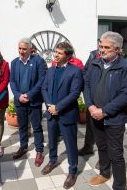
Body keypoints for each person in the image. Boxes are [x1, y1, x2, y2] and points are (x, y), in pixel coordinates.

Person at [84, 32, 127, 190]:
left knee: (116, 153)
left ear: (118, 49)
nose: (102, 50)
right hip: (95, 116)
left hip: (114, 119)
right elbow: (86, 85)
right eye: (101, 46)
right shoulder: (95, 63)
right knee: (101, 147)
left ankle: (120, 185)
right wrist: (91, 106)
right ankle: (104, 173)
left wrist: (104, 111)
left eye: (107, 47)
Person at [41, 42, 83, 189]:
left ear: (68, 56)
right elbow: (44, 88)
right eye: (56, 52)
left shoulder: (75, 71)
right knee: (52, 140)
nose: (55, 55)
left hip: (67, 114)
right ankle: (52, 161)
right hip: (51, 112)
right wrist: (49, 106)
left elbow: (74, 94)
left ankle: (73, 171)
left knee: (70, 144)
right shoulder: (51, 70)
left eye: (59, 53)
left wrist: (58, 107)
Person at [9, 38, 46, 164]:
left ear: (30, 49)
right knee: (22, 126)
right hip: (19, 101)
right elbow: (12, 81)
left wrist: (29, 95)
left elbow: (42, 81)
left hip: (34, 101)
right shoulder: (14, 63)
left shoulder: (39, 61)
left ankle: (39, 151)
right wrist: (18, 95)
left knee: (36, 127)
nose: (21, 51)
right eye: (19, 48)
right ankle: (23, 147)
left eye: (24, 49)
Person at [78, 44, 101, 156]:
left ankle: (104, 156)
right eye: (100, 45)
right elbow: (85, 71)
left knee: (104, 129)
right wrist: (87, 85)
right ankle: (88, 147)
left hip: (105, 98)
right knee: (90, 125)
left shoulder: (118, 56)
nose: (102, 48)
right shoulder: (93, 54)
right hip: (91, 96)